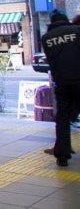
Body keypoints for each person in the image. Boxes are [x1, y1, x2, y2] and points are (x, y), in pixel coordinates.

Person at [41, 11, 80, 166]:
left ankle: (62, 155)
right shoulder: (77, 31)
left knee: (62, 118)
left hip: (62, 83)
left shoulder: (46, 38)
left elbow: (51, 60)